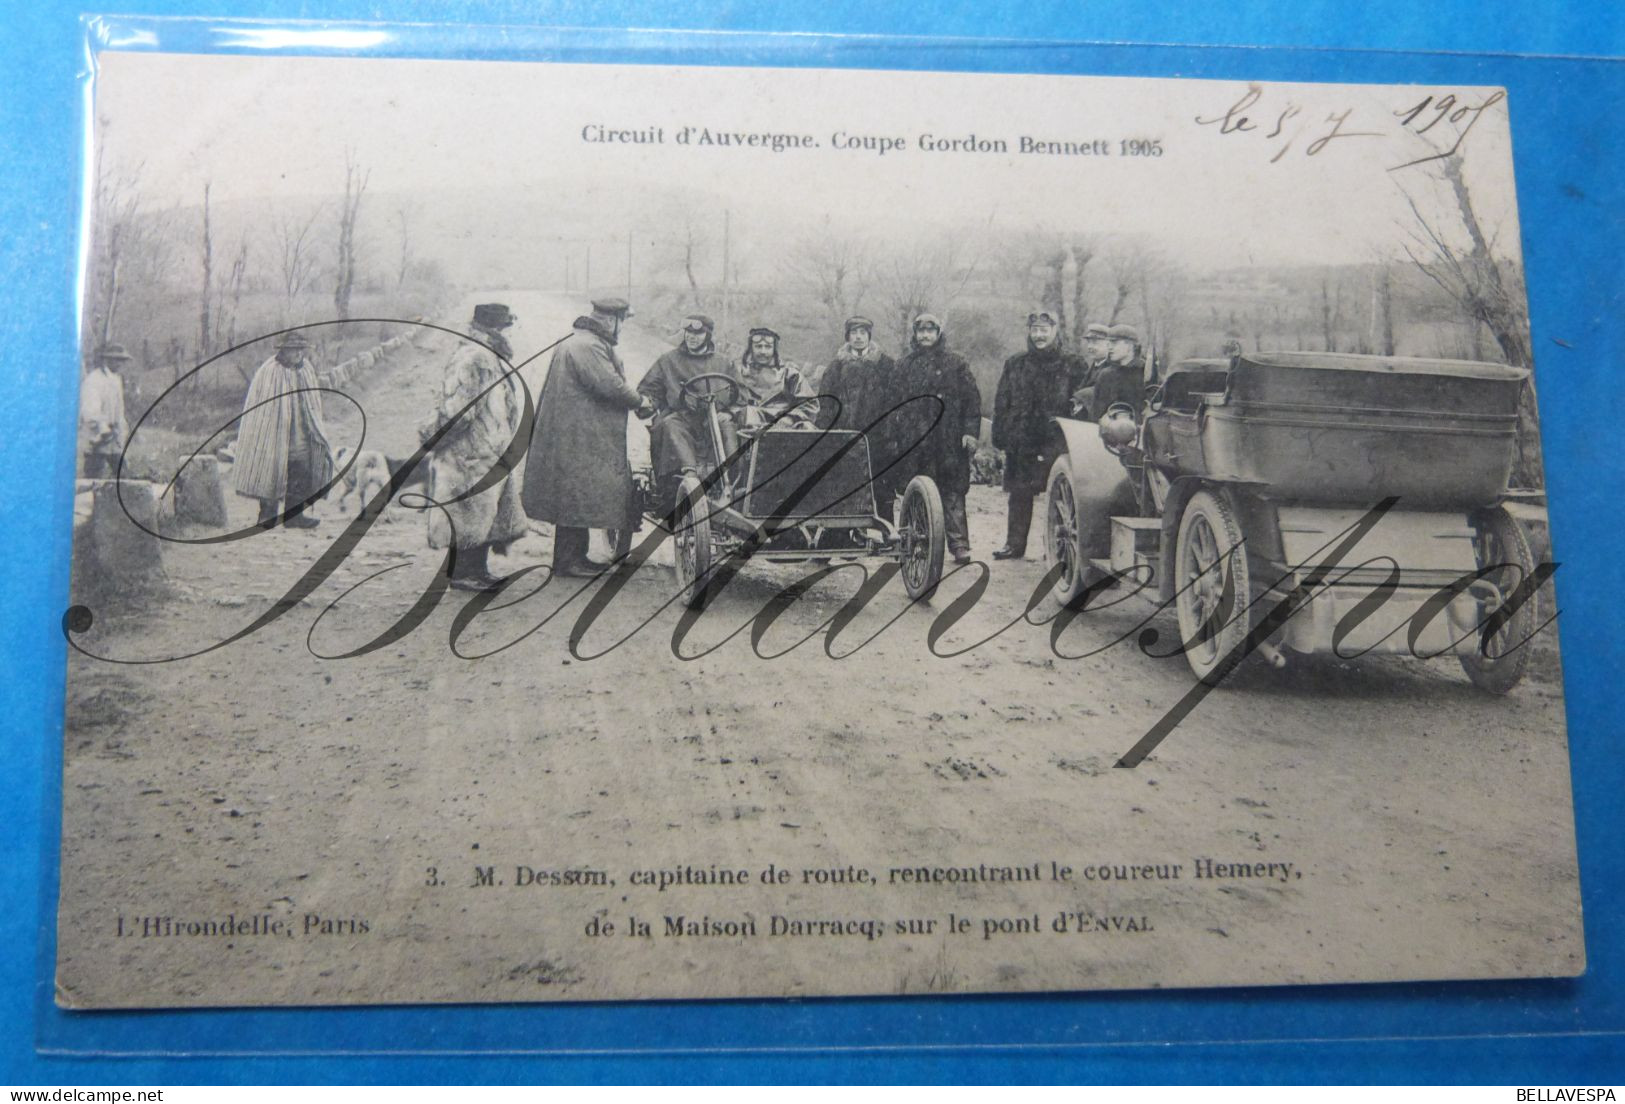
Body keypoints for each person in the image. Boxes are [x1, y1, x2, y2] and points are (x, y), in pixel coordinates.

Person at [522, 297, 654, 578]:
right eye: (622, 322)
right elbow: (610, 385)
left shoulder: (581, 341)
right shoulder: (588, 345)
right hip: (578, 435)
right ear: (611, 320)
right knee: (575, 495)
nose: (621, 328)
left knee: (575, 495)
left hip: (576, 432)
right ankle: (568, 562)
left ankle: (574, 557)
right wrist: (640, 401)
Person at [417, 302, 528, 591]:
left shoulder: (486, 355)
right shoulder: (474, 357)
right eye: (502, 326)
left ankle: (477, 569)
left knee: (482, 511)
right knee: (468, 511)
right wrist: (433, 435)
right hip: (469, 451)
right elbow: (459, 409)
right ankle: (463, 574)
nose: (506, 332)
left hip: (485, 448)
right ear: (491, 328)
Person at [991, 309, 1077, 560]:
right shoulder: (1015, 363)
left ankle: (1057, 548)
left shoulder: (1072, 364)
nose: (1039, 335)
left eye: (1044, 330)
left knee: (1061, 496)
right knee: (1019, 495)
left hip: (1056, 441)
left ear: (1055, 331)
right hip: (1022, 441)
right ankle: (1014, 545)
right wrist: (1001, 434)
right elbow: (1001, 402)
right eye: (1035, 330)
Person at [895, 312, 981, 564]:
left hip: (949, 440)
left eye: (930, 331)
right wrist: (896, 438)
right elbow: (894, 405)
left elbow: (972, 401)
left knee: (953, 492)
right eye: (921, 331)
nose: (925, 335)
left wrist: (970, 432)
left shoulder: (957, 363)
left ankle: (959, 544)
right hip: (915, 442)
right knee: (916, 492)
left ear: (938, 334)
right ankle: (915, 542)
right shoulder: (904, 366)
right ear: (915, 334)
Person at [232, 331, 334, 530]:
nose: (297, 354)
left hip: (301, 431)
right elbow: (261, 406)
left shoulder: (306, 370)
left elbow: (313, 401)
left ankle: (294, 516)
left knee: (301, 470)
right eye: (293, 350)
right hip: (275, 431)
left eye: (300, 350)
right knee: (270, 468)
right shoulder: (270, 371)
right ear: (283, 351)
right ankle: (267, 515)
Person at [816, 315, 905, 520]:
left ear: (869, 336)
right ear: (847, 337)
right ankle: (849, 536)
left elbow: (896, 400)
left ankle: (886, 533)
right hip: (845, 435)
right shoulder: (835, 367)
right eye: (854, 333)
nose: (858, 338)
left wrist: (891, 431)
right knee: (846, 485)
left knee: (883, 486)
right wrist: (826, 433)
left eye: (862, 333)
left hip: (879, 436)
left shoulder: (886, 365)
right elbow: (826, 402)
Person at [637, 313, 730, 492]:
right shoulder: (668, 360)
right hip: (680, 416)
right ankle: (689, 476)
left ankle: (732, 480)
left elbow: (738, 392)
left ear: (708, 335)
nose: (691, 337)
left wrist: (727, 409)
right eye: (688, 332)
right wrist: (648, 403)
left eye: (698, 333)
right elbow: (649, 390)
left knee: (731, 425)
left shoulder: (723, 363)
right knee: (670, 424)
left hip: (712, 417)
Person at [733, 327, 816, 429]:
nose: (763, 351)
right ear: (751, 348)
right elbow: (732, 403)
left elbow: (809, 405)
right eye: (758, 346)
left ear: (774, 349)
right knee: (749, 414)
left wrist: (790, 418)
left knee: (807, 427)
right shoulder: (740, 373)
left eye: (768, 347)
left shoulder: (789, 374)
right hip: (750, 424)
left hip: (786, 424)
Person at [80, 343, 131, 478]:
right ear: (106, 360)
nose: (120, 364)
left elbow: (119, 411)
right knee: (93, 478)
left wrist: (121, 432)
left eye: (122, 360)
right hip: (97, 438)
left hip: (113, 438)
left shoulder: (116, 379)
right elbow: (90, 410)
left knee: (123, 476)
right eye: (116, 359)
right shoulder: (94, 380)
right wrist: (103, 429)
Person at [1069, 321, 1111, 414]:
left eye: (1095, 343)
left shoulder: (1112, 369)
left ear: (1108, 345)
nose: (1090, 347)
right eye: (1089, 342)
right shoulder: (1093, 366)